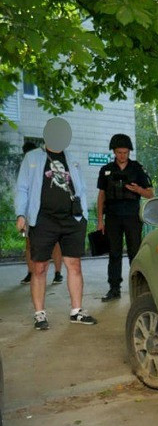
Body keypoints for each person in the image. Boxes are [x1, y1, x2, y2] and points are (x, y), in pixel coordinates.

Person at [15, 117, 97, 330]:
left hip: (71, 220)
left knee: (74, 265)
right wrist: (21, 215)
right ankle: (40, 314)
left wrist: (84, 216)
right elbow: (22, 187)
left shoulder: (72, 158)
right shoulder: (33, 158)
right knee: (40, 267)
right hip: (43, 219)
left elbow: (81, 189)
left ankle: (76, 311)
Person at [97, 134, 153, 301]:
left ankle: (140, 289)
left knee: (135, 253)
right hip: (112, 217)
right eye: (119, 152)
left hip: (132, 217)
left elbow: (150, 194)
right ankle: (114, 289)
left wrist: (138, 190)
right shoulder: (106, 170)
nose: (122, 155)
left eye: (125, 152)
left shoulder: (137, 169)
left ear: (129, 152)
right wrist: (100, 220)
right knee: (114, 254)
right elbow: (101, 196)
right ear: (114, 152)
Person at [20, 141, 64, 286]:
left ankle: (57, 273)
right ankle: (31, 272)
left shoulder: (43, 166)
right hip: (29, 213)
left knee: (55, 242)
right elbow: (21, 191)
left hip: (47, 212)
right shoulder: (25, 168)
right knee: (29, 243)